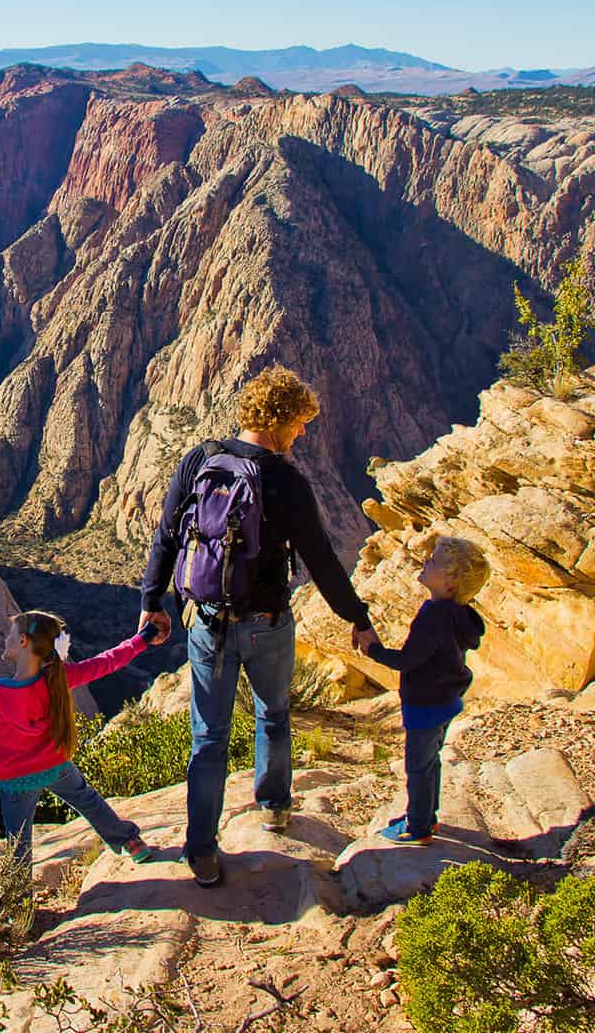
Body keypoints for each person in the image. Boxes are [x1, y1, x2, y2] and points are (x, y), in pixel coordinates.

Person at [138, 365, 373, 889]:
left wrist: (152, 600)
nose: (304, 433)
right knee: (273, 712)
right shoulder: (284, 479)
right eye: (300, 423)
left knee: (208, 736)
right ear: (280, 421)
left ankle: (200, 848)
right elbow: (322, 559)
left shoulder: (199, 459)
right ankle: (273, 807)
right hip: (267, 622)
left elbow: (167, 535)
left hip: (205, 623)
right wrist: (356, 618)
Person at [0, 611, 167, 868]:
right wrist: (143, 638)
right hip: (55, 766)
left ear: (23, 641)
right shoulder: (58, 678)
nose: (5, 639)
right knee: (89, 802)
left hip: (15, 780)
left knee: (19, 843)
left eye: (10, 634)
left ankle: (20, 899)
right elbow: (108, 661)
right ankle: (131, 843)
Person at [353, 536, 490, 845]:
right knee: (430, 762)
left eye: (434, 561)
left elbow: (409, 660)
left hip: (425, 703)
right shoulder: (458, 614)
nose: (426, 561)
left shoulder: (434, 616)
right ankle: (427, 815)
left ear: (451, 581)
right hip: (446, 700)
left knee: (417, 767)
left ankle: (417, 827)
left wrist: (373, 649)